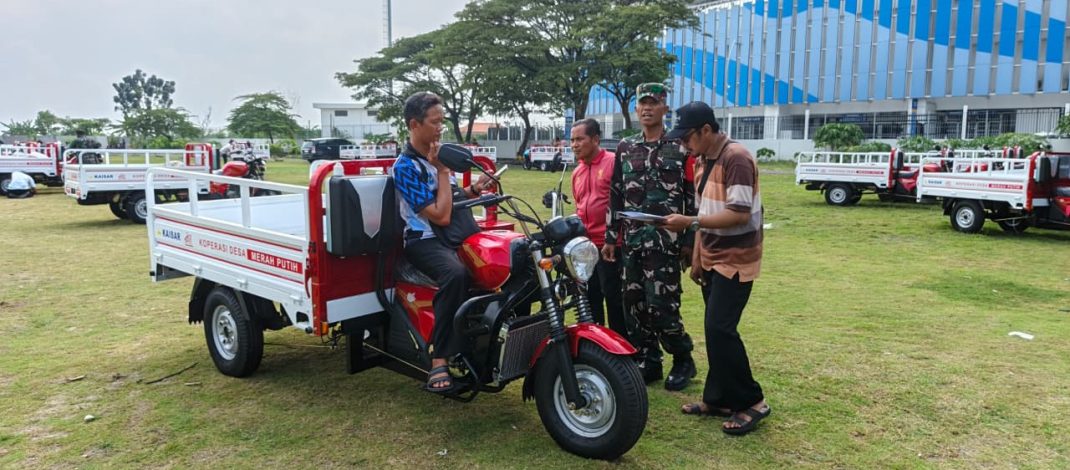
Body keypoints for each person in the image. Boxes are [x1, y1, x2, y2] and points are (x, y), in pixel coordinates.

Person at [661, 101, 770, 436]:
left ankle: (752, 401)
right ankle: (718, 398)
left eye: (688, 137)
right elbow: (706, 211)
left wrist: (689, 222)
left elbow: (737, 214)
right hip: (712, 257)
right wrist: (697, 255)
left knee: (721, 329)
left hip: (736, 259)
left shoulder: (736, 158)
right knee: (714, 331)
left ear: (706, 130)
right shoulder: (703, 159)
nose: (683, 144)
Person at [392, 92, 496, 394]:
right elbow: (439, 216)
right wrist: (442, 170)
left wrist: (473, 190)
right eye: (435, 123)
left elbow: (449, 199)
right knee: (456, 274)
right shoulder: (406, 168)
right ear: (414, 124)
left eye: (442, 122)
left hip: (452, 236)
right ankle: (439, 358)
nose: (441, 129)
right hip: (424, 240)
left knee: (510, 260)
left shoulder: (438, 157)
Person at [604, 82, 697, 391]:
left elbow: (692, 196)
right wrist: (609, 237)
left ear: (664, 108)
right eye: (641, 103)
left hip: (665, 243)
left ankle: (683, 358)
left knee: (663, 306)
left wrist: (689, 240)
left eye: (653, 103)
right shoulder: (625, 147)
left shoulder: (681, 146)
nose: (646, 108)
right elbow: (616, 194)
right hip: (631, 242)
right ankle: (649, 360)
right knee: (633, 304)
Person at [569, 118, 625, 335]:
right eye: (572, 140)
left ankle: (621, 346)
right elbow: (580, 205)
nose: (574, 144)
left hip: (611, 245)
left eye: (579, 139)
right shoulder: (577, 172)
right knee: (590, 299)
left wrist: (614, 237)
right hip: (586, 249)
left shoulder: (613, 162)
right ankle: (596, 345)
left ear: (595, 139)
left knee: (614, 299)